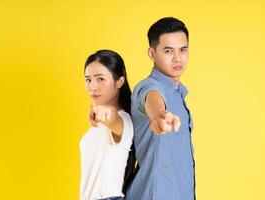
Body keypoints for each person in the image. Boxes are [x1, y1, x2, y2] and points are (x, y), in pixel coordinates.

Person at [126, 17, 195, 200]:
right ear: (152, 53)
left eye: (183, 50)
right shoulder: (147, 86)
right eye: (168, 51)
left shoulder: (179, 93)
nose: (177, 58)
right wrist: (159, 115)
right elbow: (152, 98)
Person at [79, 50, 136, 200]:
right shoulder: (98, 127)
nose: (93, 86)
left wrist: (104, 112)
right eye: (88, 80)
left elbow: (112, 117)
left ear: (119, 82)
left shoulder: (124, 121)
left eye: (100, 79)